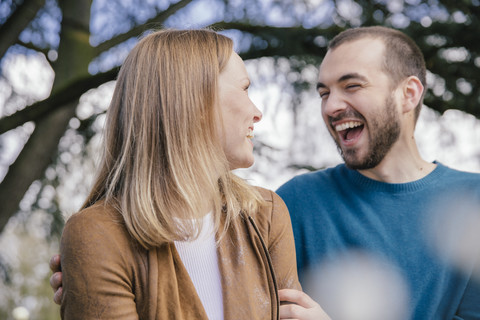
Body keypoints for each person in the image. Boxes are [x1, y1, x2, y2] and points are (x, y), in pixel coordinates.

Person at [52, 28, 329, 320]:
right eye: (245, 88)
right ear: (195, 101)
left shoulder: (266, 217)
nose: (257, 112)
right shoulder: (98, 234)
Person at [276, 26, 480, 319]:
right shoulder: (294, 203)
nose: (331, 106)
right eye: (324, 92)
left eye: (352, 86)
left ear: (408, 94)